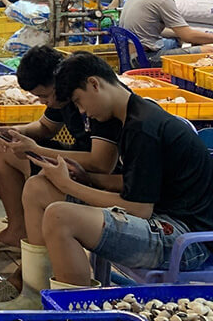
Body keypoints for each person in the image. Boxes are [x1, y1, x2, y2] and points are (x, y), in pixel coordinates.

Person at [24, 52, 213, 290]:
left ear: (94, 84)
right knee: (38, 187)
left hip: (183, 240)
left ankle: (76, 311)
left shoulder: (143, 126)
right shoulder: (132, 116)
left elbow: (139, 208)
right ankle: (35, 295)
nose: (82, 112)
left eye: (79, 101)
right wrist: (85, 177)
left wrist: (68, 185)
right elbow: (133, 184)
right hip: (159, 217)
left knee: (60, 217)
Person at [0, 47, 121, 304]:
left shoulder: (96, 102)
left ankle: (32, 276)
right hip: (80, 163)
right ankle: (19, 233)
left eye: (45, 95)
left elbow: (101, 164)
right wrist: (17, 133)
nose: (45, 102)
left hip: (97, 177)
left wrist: (36, 150)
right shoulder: (68, 96)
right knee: (3, 147)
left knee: (38, 187)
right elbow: (46, 127)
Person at [119, 0, 213, 65]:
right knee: (208, 51)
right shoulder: (163, 0)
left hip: (127, 57)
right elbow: (188, 36)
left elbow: (149, 30)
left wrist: (177, 34)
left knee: (174, 41)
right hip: (144, 59)